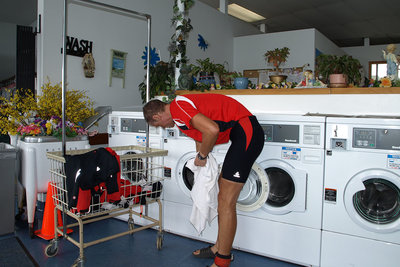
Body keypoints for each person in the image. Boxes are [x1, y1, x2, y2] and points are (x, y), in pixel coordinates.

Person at [143, 94, 264, 267]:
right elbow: (201, 137)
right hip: (240, 134)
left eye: (158, 125)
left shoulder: (178, 107)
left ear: (157, 116)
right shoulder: (180, 118)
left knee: (226, 201)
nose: (162, 128)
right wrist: (200, 165)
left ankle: (223, 259)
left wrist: (203, 155)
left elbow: (212, 130)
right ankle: (219, 247)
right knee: (223, 197)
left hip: (247, 131)